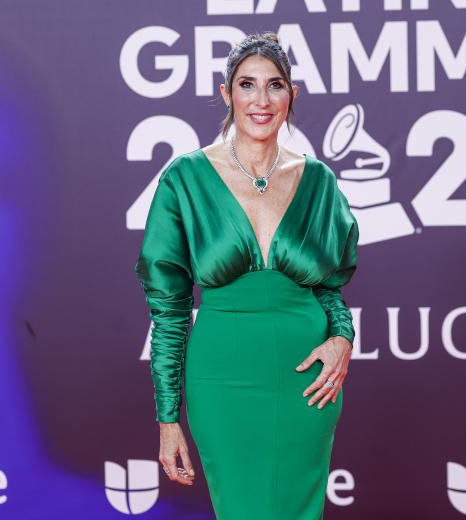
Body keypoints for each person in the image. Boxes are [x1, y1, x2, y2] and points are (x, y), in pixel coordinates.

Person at [134, 31, 359, 519]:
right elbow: (169, 311)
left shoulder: (319, 181)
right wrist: (168, 419)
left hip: (306, 380)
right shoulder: (185, 180)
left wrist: (342, 337)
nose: (261, 100)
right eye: (247, 85)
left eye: (275, 85)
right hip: (222, 379)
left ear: (292, 95)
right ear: (226, 94)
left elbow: (329, 289)